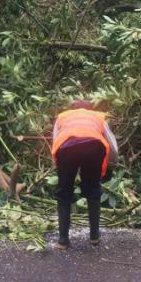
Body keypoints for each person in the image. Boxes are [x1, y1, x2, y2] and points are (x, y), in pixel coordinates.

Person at [50, 100, 119, 249]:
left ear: (72, 109)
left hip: (67, 147)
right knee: (93, 190)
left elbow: (56, 139)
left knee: (64, 193)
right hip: (94, 147)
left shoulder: (63, 116)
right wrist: (112, 164)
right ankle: (94, 236)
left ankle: (63, 241)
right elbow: (112, 144)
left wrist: (58, 165)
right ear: (90, 109)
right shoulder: (98, 117)